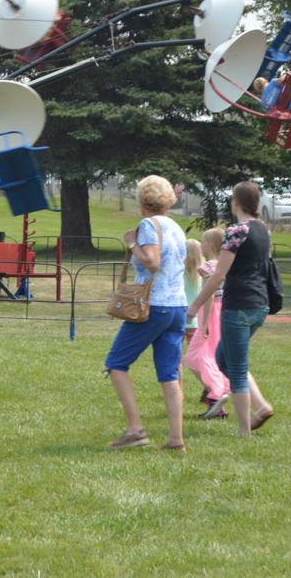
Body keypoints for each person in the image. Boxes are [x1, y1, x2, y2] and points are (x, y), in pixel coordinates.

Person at [104, 175, 189, 452]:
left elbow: (152, 262)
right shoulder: (175, 226)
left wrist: (131, 243)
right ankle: (176, 439)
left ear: (142, 201)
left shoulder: (148, 225)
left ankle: (135, 429)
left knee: (116, 363)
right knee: (169, 373)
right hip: (177, 306)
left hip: (154, 305)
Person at [187, 180, 275, 436]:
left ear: (235, 201)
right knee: (223, 359)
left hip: (238, 306)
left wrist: (195, 305)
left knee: (235, 368)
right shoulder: (263, 229)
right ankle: (261, 407)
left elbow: (217, 276)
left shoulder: (237, 230)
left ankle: (244, 430)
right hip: (260, 304)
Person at [184, 226, 230, 419]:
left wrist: (203, 324)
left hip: (209, 314)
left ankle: (215, 392)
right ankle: (217, 402)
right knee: (211, 355)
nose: (201, 245)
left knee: (194, 357)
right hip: (223, 313)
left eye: (203, 241)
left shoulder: (208, 267)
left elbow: (209, 294)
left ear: (210, 245)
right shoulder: (224, 265)